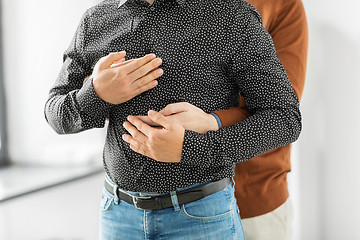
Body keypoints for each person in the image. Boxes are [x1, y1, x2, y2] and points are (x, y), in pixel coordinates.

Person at [44, 0, 302, 239]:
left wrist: (189, 148)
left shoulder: (231, 16)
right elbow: (55, 113)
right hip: (118, 216)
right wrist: (97, 95)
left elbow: (284, 118)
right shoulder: (96, 20)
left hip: (202, 217)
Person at [134, 0, 308, 239]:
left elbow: (279, 108)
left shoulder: (279, 4)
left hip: (253, 194)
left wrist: (211, 121)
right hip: (154, 204)